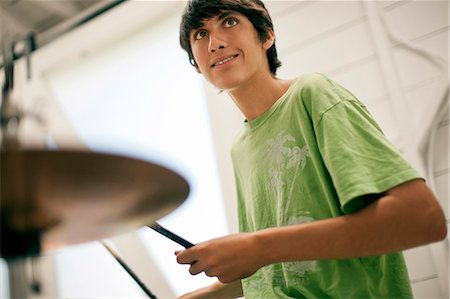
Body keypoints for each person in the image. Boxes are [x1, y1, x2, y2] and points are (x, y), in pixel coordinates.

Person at [175, 0, 448, 298]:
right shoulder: (240, 148)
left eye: (229, 22)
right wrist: (208, 294)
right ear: (196, 66)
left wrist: (255, 246)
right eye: (200, 34)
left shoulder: (312, 94)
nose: (214, 42)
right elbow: (282, 265)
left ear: (266, 35)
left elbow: (421, 219)